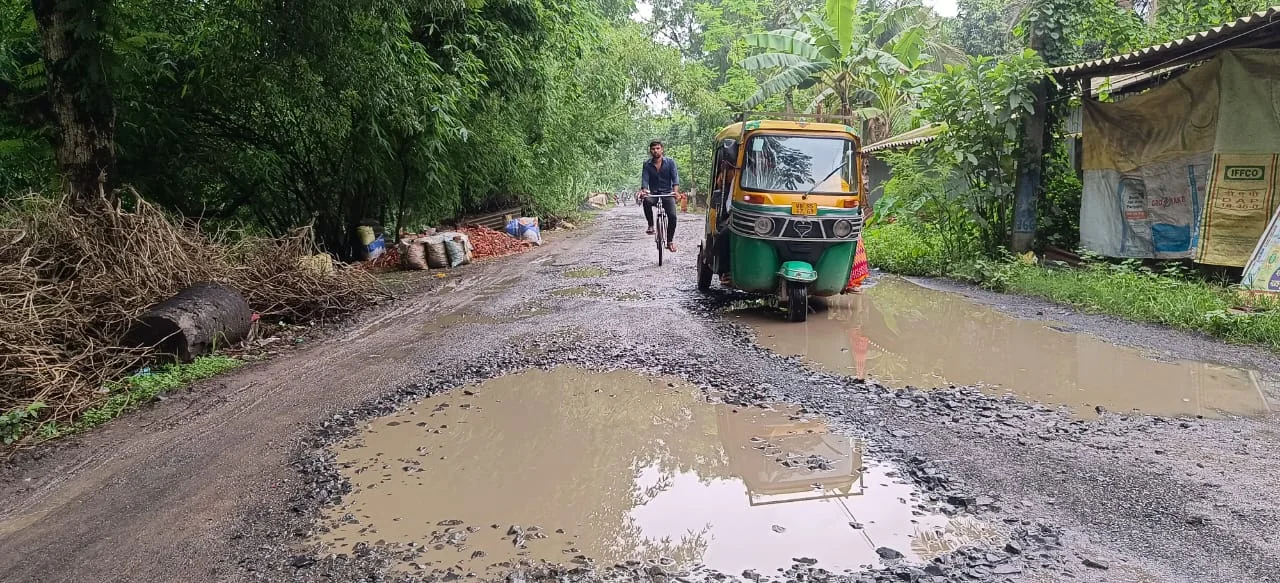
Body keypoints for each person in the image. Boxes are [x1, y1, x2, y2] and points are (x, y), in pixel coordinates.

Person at [638, 140, 679, 252]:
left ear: (662, 149)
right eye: (653, 149)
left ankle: (670, 242)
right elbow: (645, 180)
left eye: (657, 148)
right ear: (650, 151)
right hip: (654, 194)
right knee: (646, 200)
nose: (655, 151)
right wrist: (644, 191)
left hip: (668, 194)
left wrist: (675, 192)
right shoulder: (647, 164)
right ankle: (651, 225)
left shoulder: (670, 162)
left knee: (673, 217)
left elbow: (675, 179)